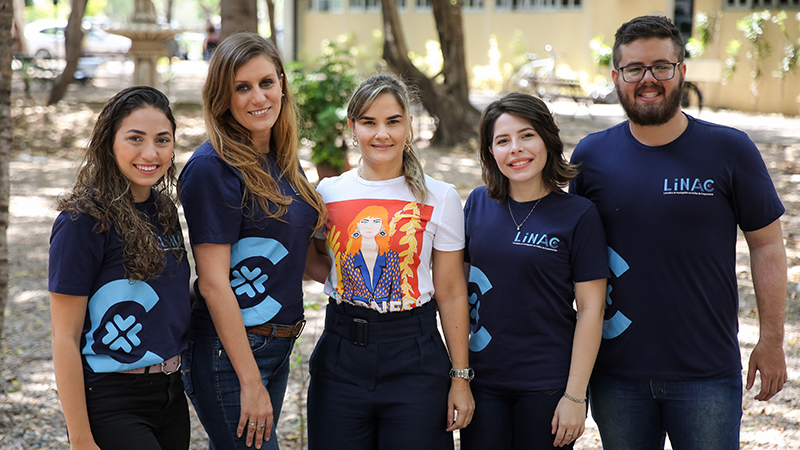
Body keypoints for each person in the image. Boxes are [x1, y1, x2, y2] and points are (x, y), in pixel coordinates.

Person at [569, 15, 788, 449]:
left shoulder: (730, 149)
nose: (648, 80)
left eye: (661, 67)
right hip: (616, 375)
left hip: (705, 372)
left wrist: (772, 339)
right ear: (616, 77)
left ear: (681, 72)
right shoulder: (591, 156)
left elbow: (766, 246)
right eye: (634, 69)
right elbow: (572, 259)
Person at [306, 74, 475, 450]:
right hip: (341, 355)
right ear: (353, 127)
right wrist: (341, 282)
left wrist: (460, 378)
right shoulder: (328, 194)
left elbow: (449, 290)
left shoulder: (440, 197)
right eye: (369, 122)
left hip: (414, 355)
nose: (381, 133)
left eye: (393, 121)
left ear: (409, 126)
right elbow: (314, 260)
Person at [179, 33, 327, 450]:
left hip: (278, 344)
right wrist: (248, 380)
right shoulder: (212, 169)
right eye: (241, 87)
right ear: (222, 98)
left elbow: (298, 260)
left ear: (282, 82)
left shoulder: (283, 158)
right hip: (230, 353)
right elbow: (211, 282)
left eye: (266, 82)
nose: (258, 97)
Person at [459, 92, 607, 450]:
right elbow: (456, 292)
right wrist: (458, 376)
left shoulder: (579, 214)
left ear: (546, 138)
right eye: (502, 141)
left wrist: (575, 396)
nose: (516, 149)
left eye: (526, 135)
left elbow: (591, 309)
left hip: (547, 383)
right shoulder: (478, 203)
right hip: (482, 381)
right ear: (490, 151)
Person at [48, 86, 190, 450]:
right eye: (135, 139)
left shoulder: (164, 210)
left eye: (162, 140)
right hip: (111, 398)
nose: (150, 153)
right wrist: (80, 437)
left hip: (171, 394)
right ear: (108, 142)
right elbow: (64, 337)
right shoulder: (83, 219)